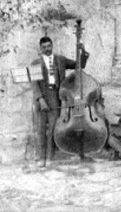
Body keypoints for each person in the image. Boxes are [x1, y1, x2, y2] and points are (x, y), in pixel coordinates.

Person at [31, 36, 89, 167]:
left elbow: (80, 65)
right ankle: (41, 158)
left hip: (55, 96)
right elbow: (34, 83)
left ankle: (50, 158)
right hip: (41, 97)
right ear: (40, 49)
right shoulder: (35, 63)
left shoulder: (60, 60)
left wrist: (83, 53)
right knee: (40, 128)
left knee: (52, 128)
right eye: (44, 47)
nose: (47, 49)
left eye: (49, 46)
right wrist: (40, 99)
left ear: (52, 46)